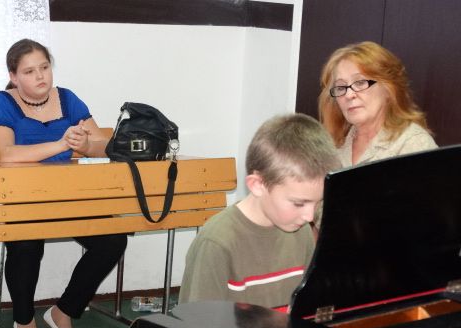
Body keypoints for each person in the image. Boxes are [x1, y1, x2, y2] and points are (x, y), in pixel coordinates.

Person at [0, 39, 127, 328]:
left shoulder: (68, 99)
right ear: (13, 76)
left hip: (67, 197)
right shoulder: (0, 102)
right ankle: (24, 320)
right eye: (29, 71)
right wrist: (61, 144)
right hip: (20, 199)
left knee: (113, 238)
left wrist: (85, 145)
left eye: (45, 67)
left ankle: (63, 312)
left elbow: (105, 145)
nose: (40, 76)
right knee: (26, 242)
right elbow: (4, 154)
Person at [178, 113, 340, 309]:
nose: (309, 216)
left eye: (318, 202)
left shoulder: (302, 232)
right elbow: (197, 322)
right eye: (298, 203)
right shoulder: (216, 243)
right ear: (258, 185)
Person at [319, 41, 437, 167]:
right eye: (341, 87)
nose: (349, 95)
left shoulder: (415, 145)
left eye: (360, 82)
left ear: (389, 89)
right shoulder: (333, 143)